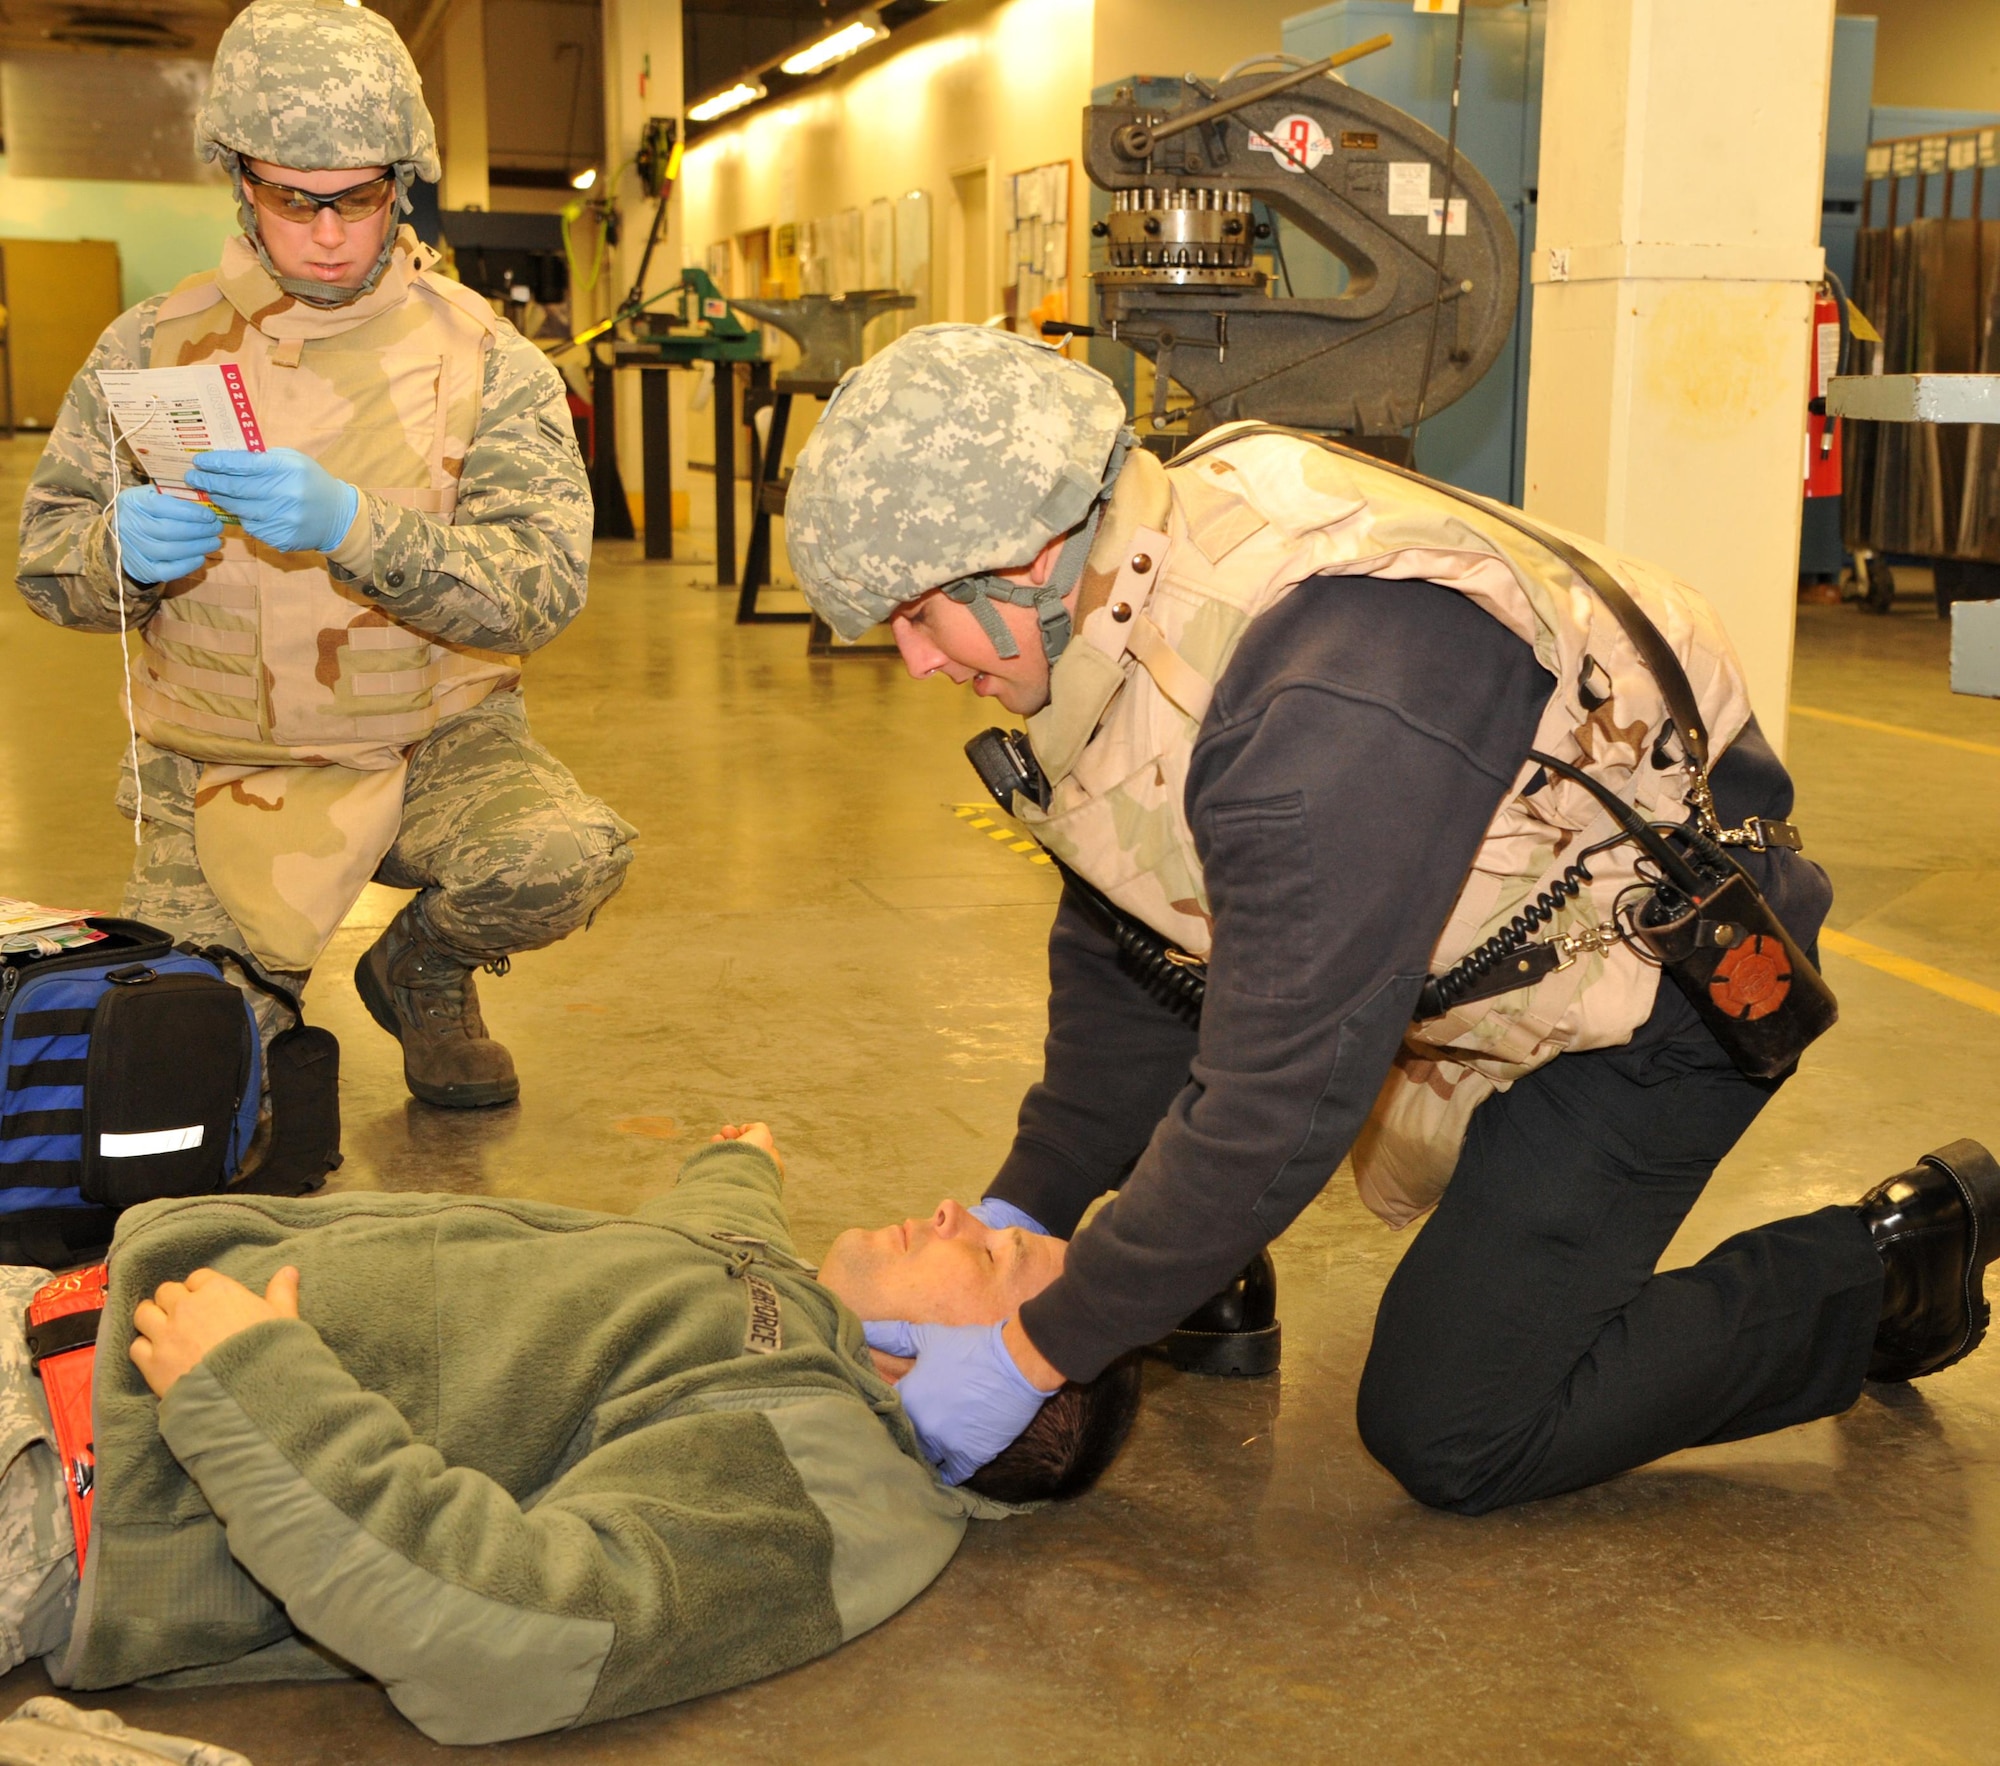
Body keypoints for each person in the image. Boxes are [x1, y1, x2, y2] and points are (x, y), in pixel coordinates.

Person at [781, 321, 2000, 1508]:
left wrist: (1035, 1348)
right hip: (1481, 957)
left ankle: (1890, 1269)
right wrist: (1027, 1208)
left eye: (918, 614)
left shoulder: (1329, 693)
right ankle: (1179, 1266)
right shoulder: (1130, 584)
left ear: (1025, 555)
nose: (919, 664)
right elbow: (1132, 942)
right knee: (1216, 1190)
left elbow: (1277, 1104)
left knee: (1453, 1423)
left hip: (1661, 985)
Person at [0, 1124, 1140, 1744]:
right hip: (51, 1317)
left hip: (62, 1480)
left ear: (977, 1388)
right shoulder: (810, 1324)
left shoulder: (821, 1477)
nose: (956, 1211)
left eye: (994, 1257)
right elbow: (707, 1263)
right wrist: (736, 1169)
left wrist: (257, 1389)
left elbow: (518, 1634)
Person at [16, 0, 633, 1112]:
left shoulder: (487, 358)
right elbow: (49, 563)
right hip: (216, 759)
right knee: (185, 1085)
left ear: (403, 178)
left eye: (359, 195)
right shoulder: (149, 346)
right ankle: (253, 986)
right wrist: (126, 554)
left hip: (429, 743)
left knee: (561, 855)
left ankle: (420, 967)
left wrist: (358, 528)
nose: (332, 231)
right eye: (294, 198)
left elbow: (540, 588)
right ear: (238, 180)